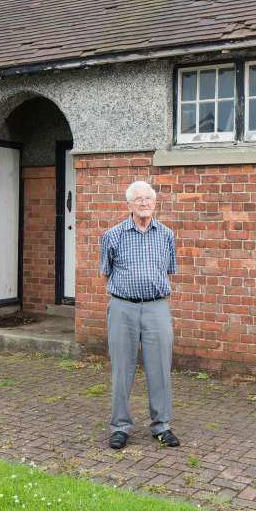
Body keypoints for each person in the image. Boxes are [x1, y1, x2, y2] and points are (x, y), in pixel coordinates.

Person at [100, 179, 180, 450]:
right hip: (123, 307)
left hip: (157, 307)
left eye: (148, 199)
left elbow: (167, 271)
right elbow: (106, 274)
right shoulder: (112, 235)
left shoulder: (167, 235)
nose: (144, 203)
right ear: (129, 205)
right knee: (122, 369)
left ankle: (161, 426)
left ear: (154, 203)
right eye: (139, 199)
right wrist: (126, 296)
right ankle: (120, 427)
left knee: (160, 368)